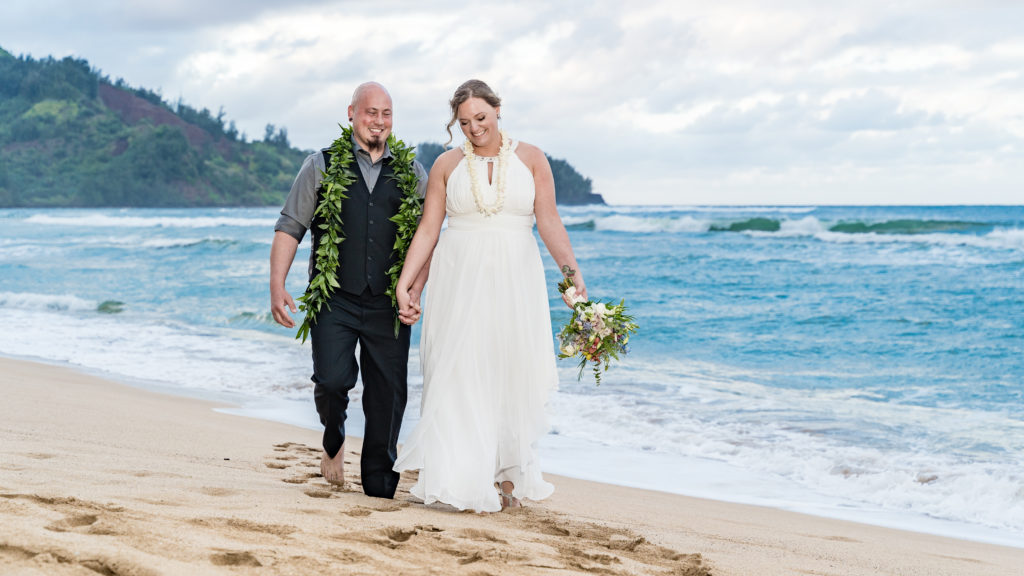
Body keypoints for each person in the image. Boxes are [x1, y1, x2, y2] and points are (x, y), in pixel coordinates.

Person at [392, 79, 586, 512]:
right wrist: (406, 282)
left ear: (498, 109)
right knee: (458, 372)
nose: (474, 128)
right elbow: (429, 228)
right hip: (458, 279)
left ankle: (508, 481)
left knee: (509, 372)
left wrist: (573, 276)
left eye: (481, 118)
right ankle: (459, 478)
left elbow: (549, 220)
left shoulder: (533, 159)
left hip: (515, 280)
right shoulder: (446, 164)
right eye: (464, 122)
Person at [270, 82, 428, 499]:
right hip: (334, 299)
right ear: (352, 113)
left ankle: (378, 486)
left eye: (386, 113)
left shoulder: (411, 172)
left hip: (388, 303)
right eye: (370, 112)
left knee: (388, 395)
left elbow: (426, 237)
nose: (379, 121)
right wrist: (277, 286)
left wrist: (415, 290)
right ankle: (334, 436)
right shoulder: (320, 165)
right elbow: (291, 226)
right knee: (333, 379)